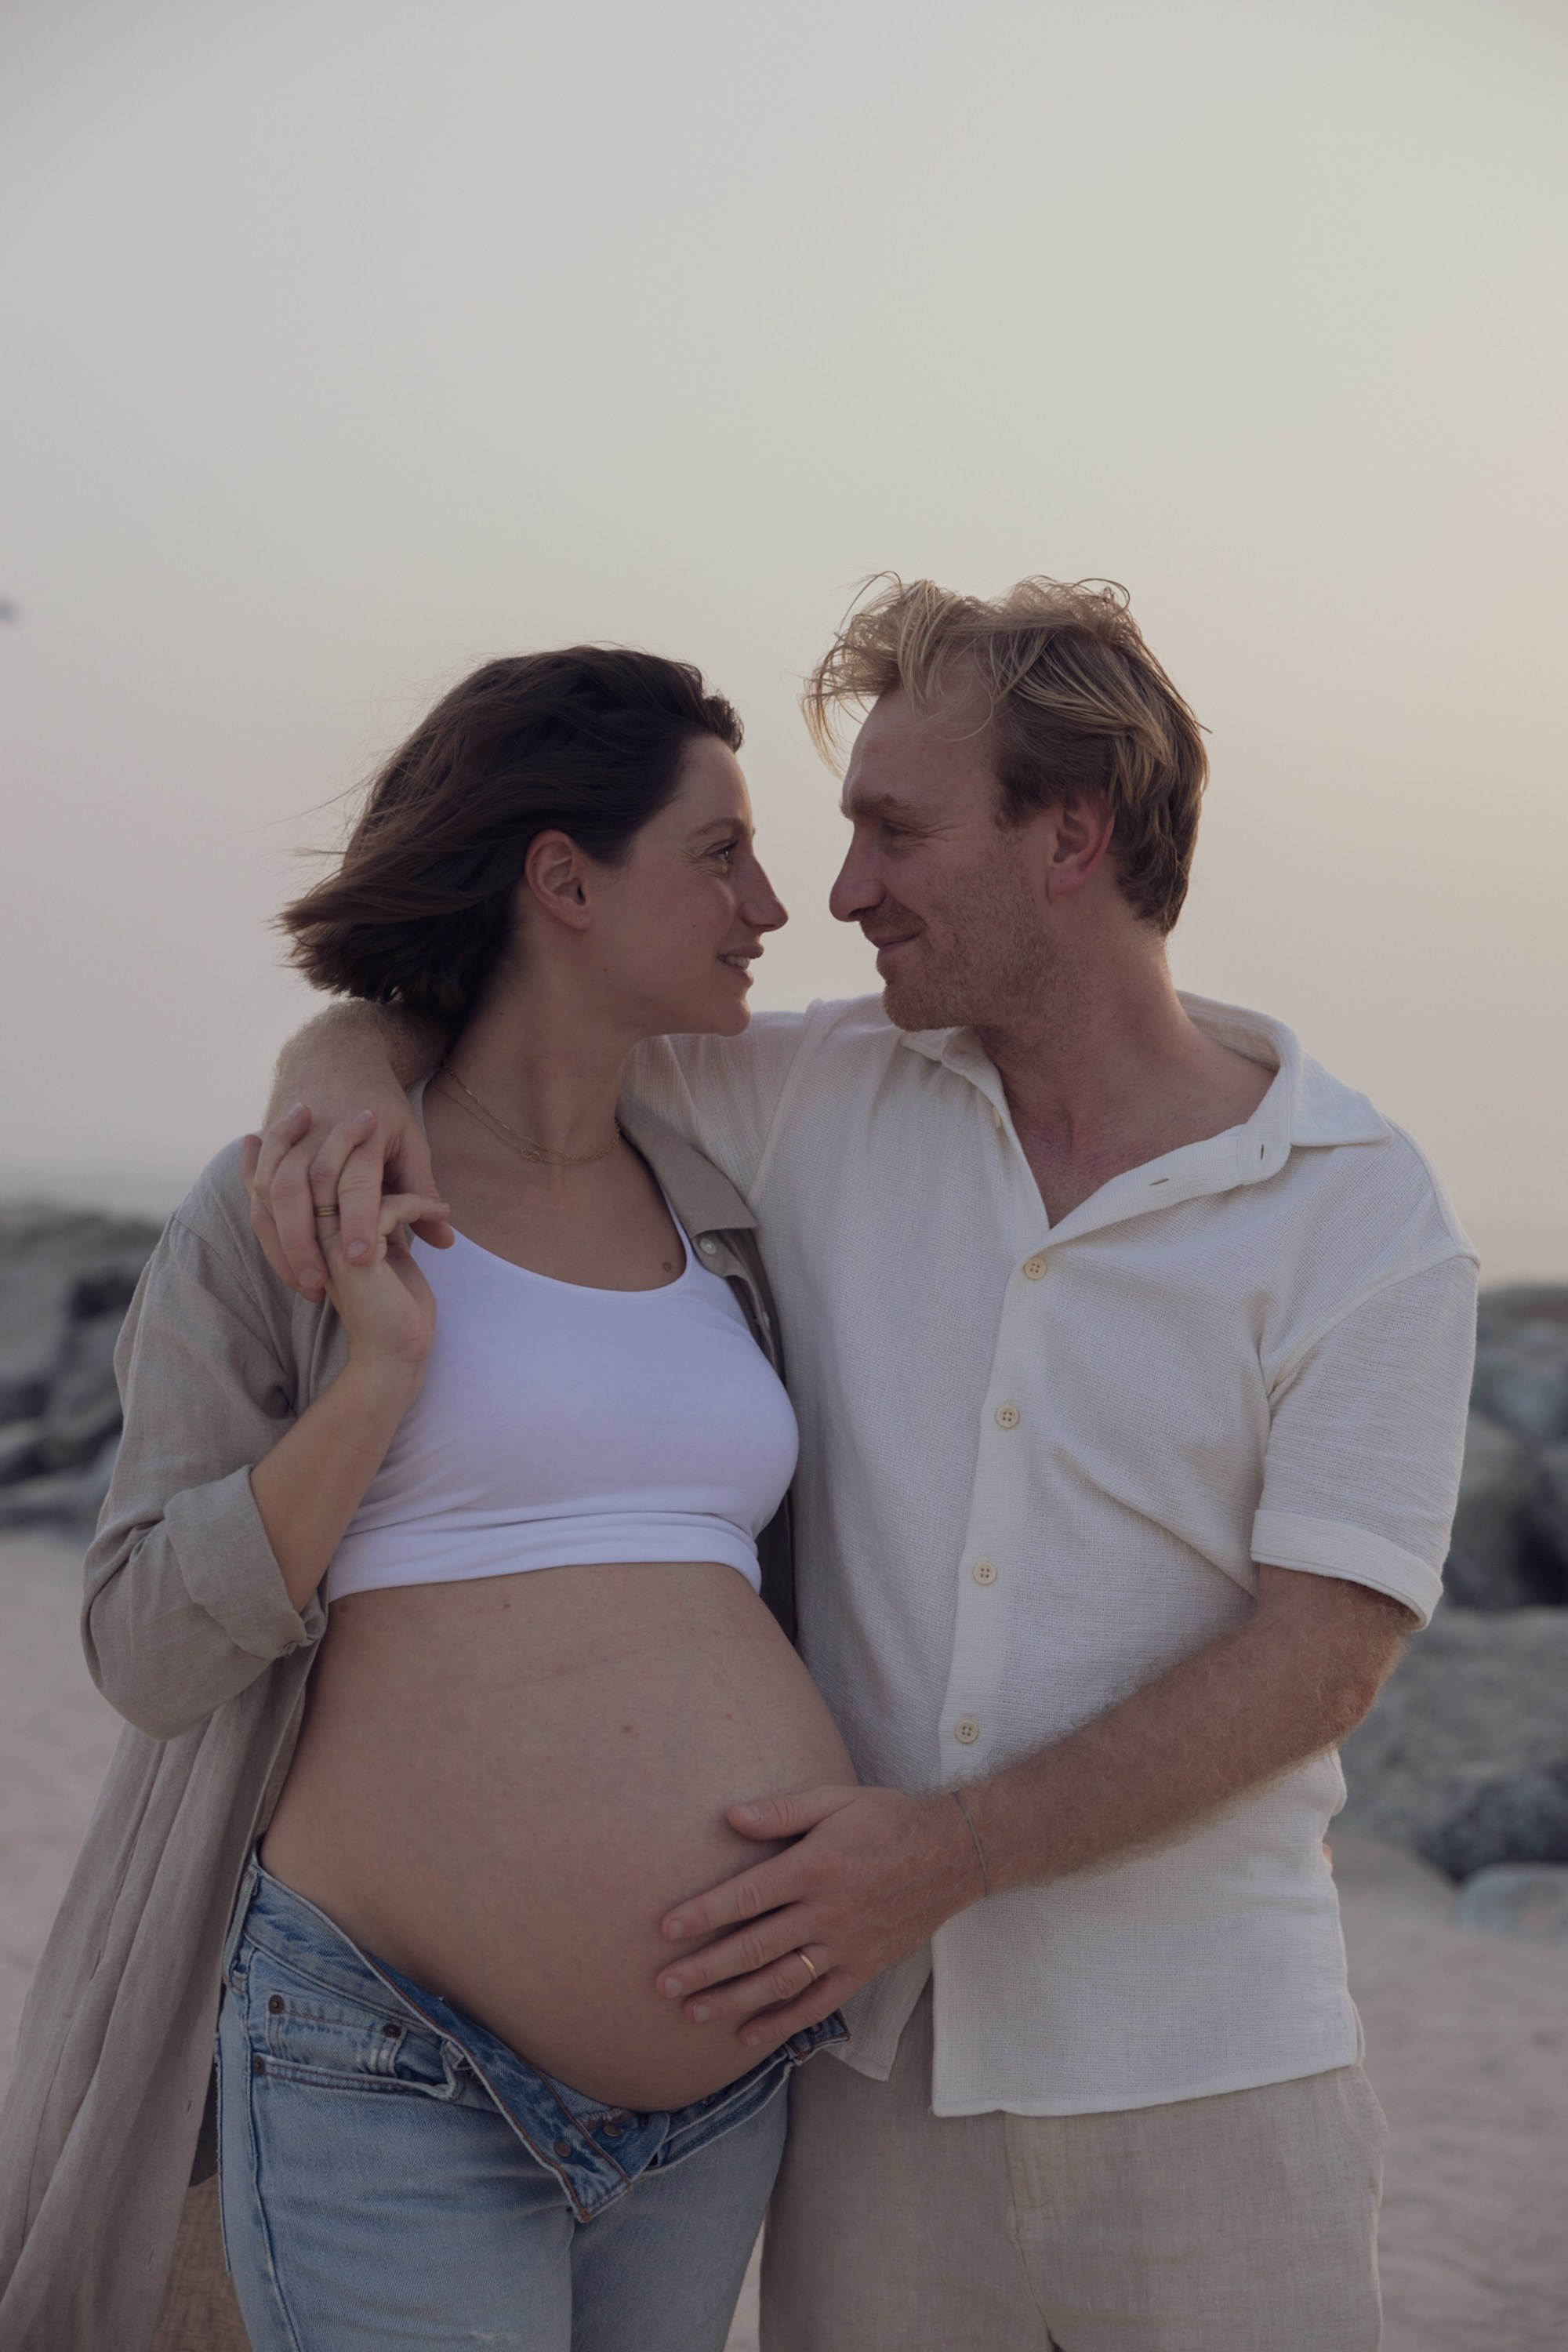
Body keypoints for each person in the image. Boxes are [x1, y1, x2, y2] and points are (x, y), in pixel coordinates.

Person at [255, 575, 1479, 2352]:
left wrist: (953, 1851)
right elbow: (512, 1022)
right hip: (858, 2094)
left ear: (1072, 836)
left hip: (1209, 2072)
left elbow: (1325, 1653)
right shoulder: (813, 1095)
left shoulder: (1360, 1208)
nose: (838, 894)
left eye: (894, 831)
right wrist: (340, 1059)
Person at [0, 647, 858, 2352]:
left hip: (719, 2102)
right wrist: (380, 1374)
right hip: (389, 2058)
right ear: (562, 876)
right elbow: (146, 1649)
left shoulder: (737, 1200)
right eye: (719, 852)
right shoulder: (290, 1217)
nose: (772, 901)